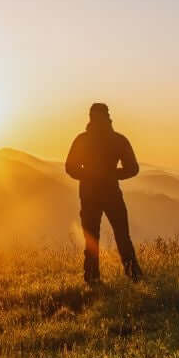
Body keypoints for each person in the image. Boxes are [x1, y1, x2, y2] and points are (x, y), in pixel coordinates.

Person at [64, 102, 143, 283]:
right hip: (110, 193)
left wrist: (91, 174)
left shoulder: (83, 140)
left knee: (93, 238)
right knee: (122, 236)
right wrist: (111, 174)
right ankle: (134, 276)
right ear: (108, 117)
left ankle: (92, 278)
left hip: (90, 194)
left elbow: (70, 167)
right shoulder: (118, 140)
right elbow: (133, 169)